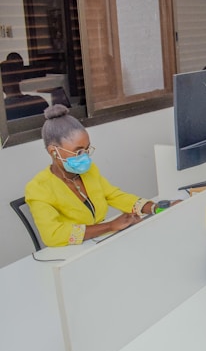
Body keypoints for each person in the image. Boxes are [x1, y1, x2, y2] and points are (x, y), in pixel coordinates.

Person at [25, 104, 177, 247]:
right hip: (68, 257)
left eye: (87, 149)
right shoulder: (38, 188)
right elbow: (53, 235)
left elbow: (114, 196)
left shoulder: (89, 171)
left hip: (98, 245)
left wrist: (154, 207)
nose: (85, 156)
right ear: (53, 151)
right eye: (78, 151)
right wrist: (110, 226)